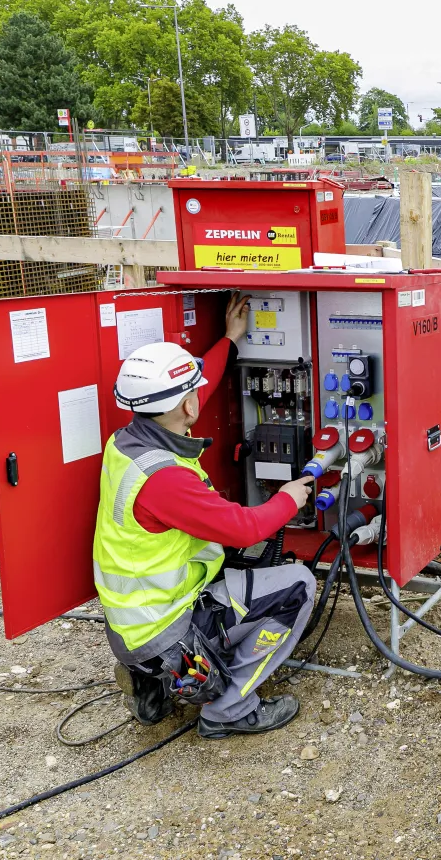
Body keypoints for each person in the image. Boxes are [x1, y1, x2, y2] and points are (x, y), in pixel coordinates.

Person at [95, 293, 316, 739]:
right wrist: (291, 498)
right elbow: (246, 528)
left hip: (131, 629)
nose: (200, 398)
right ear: (187, 407)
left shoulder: (128, 443)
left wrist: (231, 341)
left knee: (237, 572)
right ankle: (229, 711)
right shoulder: (165, 480)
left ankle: (151, 684)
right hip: (167, 631)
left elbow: (199, 387)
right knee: (299, 586)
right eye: (194, 394)